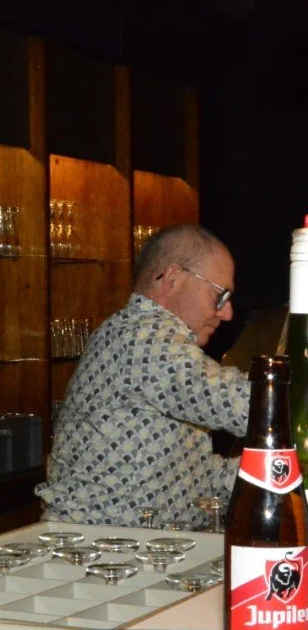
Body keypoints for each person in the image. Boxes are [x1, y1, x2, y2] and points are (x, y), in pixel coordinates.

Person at [36, 224, 251, 529]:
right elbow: (246, 406)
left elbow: (189, 475)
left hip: (129, 545)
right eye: (220, 295)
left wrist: (276, 471)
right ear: (172, 279)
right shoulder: (143, 336)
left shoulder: (146, 341)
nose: (227, 313)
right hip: (102, 550)